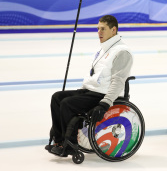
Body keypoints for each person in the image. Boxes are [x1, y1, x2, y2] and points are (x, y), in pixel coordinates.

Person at [45, 15, 133, 156]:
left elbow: (118, 81)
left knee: (68, 104)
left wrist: (106, 103)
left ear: (113, 30)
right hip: (91, 90)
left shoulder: (122, 51)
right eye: (98, 29)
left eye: (103, 29)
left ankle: (70, 144)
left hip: (103, 94)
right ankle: (59, 139)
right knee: (57, 97)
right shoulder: (104, 48)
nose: (99, 32)